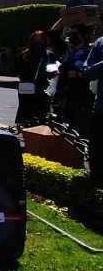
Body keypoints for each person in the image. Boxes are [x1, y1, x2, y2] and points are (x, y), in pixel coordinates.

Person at [57, 24, 95, 141]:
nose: (71, 37)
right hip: (67, 98)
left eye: (75, 34)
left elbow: (94, 72)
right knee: (68, 133)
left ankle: (82, 157)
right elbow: (53, 34)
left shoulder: (89, 52)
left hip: (83, 98)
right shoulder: (68, 51)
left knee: (82, 132)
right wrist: (65, 19)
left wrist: (78, 74)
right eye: (69, 34)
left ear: (84, 36)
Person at [80, 33, 103, 180]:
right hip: (101, 109)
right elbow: (86, 71)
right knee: (97, 152)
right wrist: (101, 65)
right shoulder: (100, 43)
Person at [14, 31, 50, 124]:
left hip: (42, 90)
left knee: (41, 115)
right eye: (35, 41)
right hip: (27, 89)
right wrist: (25, 81)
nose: (38, 43)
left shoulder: (48, 55)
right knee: (25, 113)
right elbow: (18, 71)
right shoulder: (25, 55)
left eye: (40, 40)